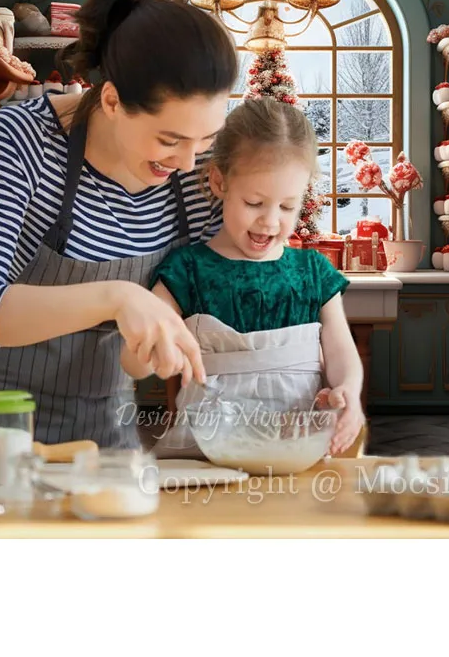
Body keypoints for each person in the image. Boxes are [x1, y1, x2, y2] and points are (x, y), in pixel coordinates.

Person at [0, 0, 238, 446]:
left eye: (205, 140)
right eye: (169, 140)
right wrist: (117, 298)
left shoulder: (198, 176)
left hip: (101, 436)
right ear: (111, 100)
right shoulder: (24, 138)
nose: (188, 162)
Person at [132, 98, 365, 457]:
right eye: (254, 203)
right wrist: (148, 351)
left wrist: (348, 389)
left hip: (295, 453)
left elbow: (340, 352)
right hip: (203, 454)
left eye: (288, 206)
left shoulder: (313, 274)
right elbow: (135, 357)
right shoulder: (186, 270)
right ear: (219, 182)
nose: (270, 222)